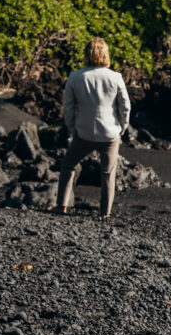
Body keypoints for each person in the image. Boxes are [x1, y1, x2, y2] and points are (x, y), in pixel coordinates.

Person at [50, 37, 130, 218]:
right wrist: (122, 128)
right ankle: (105, 213)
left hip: (84, 132)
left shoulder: (75, 76)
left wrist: (72, 128)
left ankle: (61, 205)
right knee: (108, 174)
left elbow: (68, 107)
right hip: (110, 134)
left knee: (68, 165)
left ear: (87, 54)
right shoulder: (115, 77)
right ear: (105, 54)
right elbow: (125, 106)